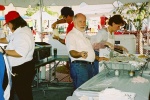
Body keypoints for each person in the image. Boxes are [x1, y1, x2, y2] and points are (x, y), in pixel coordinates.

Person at [65, 13, 109, 89]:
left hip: (89, 66)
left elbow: (89, 51)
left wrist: (98, 58)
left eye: (84, 21)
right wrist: (79, 54)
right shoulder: (71, 35)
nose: (83, 24)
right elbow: (72, 52)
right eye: (80, 21)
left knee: (87, 90)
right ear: (74, 22)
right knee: (82, 91)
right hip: (79, 67)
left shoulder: (83, 35)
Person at [0, 11, 35, 100]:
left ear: (12, 23)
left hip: (22, 69)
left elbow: (20, 53)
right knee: (22, 92)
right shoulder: (19, 31)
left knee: (23, 94)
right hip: (21, 68)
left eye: (8, 24)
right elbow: (7, 39)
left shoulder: (22, 34)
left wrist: (4, 51)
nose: (8, 26)